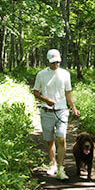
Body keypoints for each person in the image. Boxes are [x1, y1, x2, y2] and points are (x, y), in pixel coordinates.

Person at [33, 49, 80, 180]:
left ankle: (60, 168)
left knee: (61, 138)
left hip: (62, 111)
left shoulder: (65, 74)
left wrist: (74, 108)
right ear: (47, 61)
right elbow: (36, 92)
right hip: (46, 112)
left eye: (58, 62)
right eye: (53, 62)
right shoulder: (41, 75)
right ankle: (52, 164)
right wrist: (46, 100)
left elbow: (68, 92)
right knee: (50, 141)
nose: (56, 65)